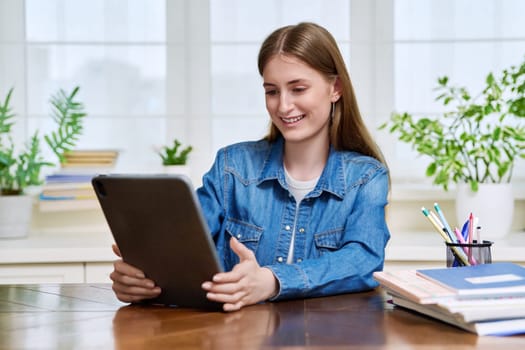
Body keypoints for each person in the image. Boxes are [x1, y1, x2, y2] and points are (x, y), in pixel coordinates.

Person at [110, 22, 390, 312]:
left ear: (335, 88)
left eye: (298, 89)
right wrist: (143, 277)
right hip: (235, 336)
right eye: (272, 91)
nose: (283, 106)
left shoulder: (366, 177)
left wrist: (272, 280)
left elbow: (363, 261)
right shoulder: (232, 168)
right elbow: (182, 246)